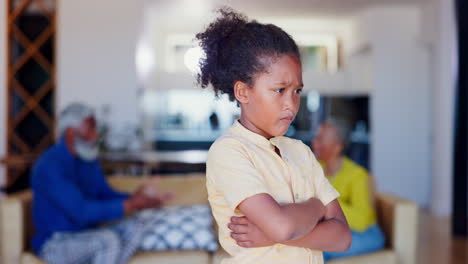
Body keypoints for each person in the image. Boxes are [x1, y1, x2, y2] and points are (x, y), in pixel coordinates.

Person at [199, 8, 351, 264]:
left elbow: (342, 237)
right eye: (279, 90)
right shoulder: (229, 151)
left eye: (296, 91)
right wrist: (316, 207)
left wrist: (272, 235)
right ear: (243, 92)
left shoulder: (300, 151)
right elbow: (282, 227)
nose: (291, 104)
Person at [31, 103, 173, 264]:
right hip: (55, 244)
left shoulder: (89, 161)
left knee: (138, 225)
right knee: (107, 240)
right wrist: (131, 204)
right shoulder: (49, 165)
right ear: (71, 133)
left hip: (87, 235)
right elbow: (80, 210)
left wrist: (139, 197)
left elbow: (105, 194)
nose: (96, 136)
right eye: (91, 130)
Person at [311, 118, 385, 261]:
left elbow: (361, 220)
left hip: (366, 234)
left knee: (319, 250)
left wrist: (324, 203)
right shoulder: (316, 167)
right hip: (334, 229)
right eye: (316, 138)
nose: (314, 143)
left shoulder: (358, 175)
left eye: (320, 140)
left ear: (337, 147)